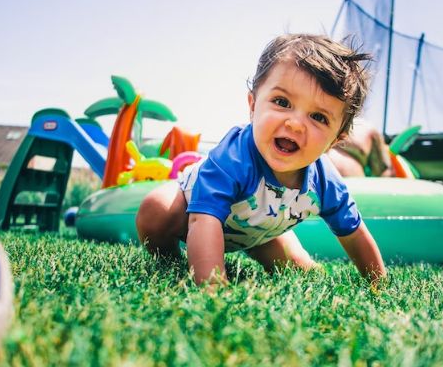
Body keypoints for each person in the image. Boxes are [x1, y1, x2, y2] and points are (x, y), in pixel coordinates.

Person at [135, 34, 387, 286]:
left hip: (260, 232)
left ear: (334, 141)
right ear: (253, 105)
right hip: (194, 212)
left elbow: (354, 234)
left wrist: (379, 285)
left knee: (303, 274)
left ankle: (288, 259)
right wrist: (213, 288)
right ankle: (170, 260)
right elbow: (203, 220)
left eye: (319, 117)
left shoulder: (324, 179)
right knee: (156, 210)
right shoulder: (234, 157)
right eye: (282, 102)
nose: (295, 123)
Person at [326, 118, 393, 177]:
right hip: (322, 177)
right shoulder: (333, 119)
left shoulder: (368, 128)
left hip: (354, 184)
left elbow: (385, 170)